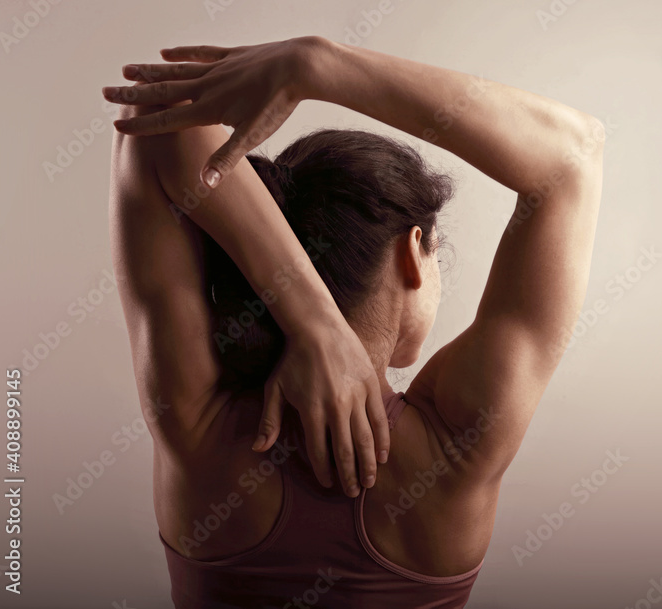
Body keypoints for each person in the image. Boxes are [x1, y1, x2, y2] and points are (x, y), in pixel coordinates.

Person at [105, 36, 605, 608]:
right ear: (413, 252)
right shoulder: (457, 448)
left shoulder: (198, 425)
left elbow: (152, 112)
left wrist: (310, 319)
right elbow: (574, 153)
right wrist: (316, 66)